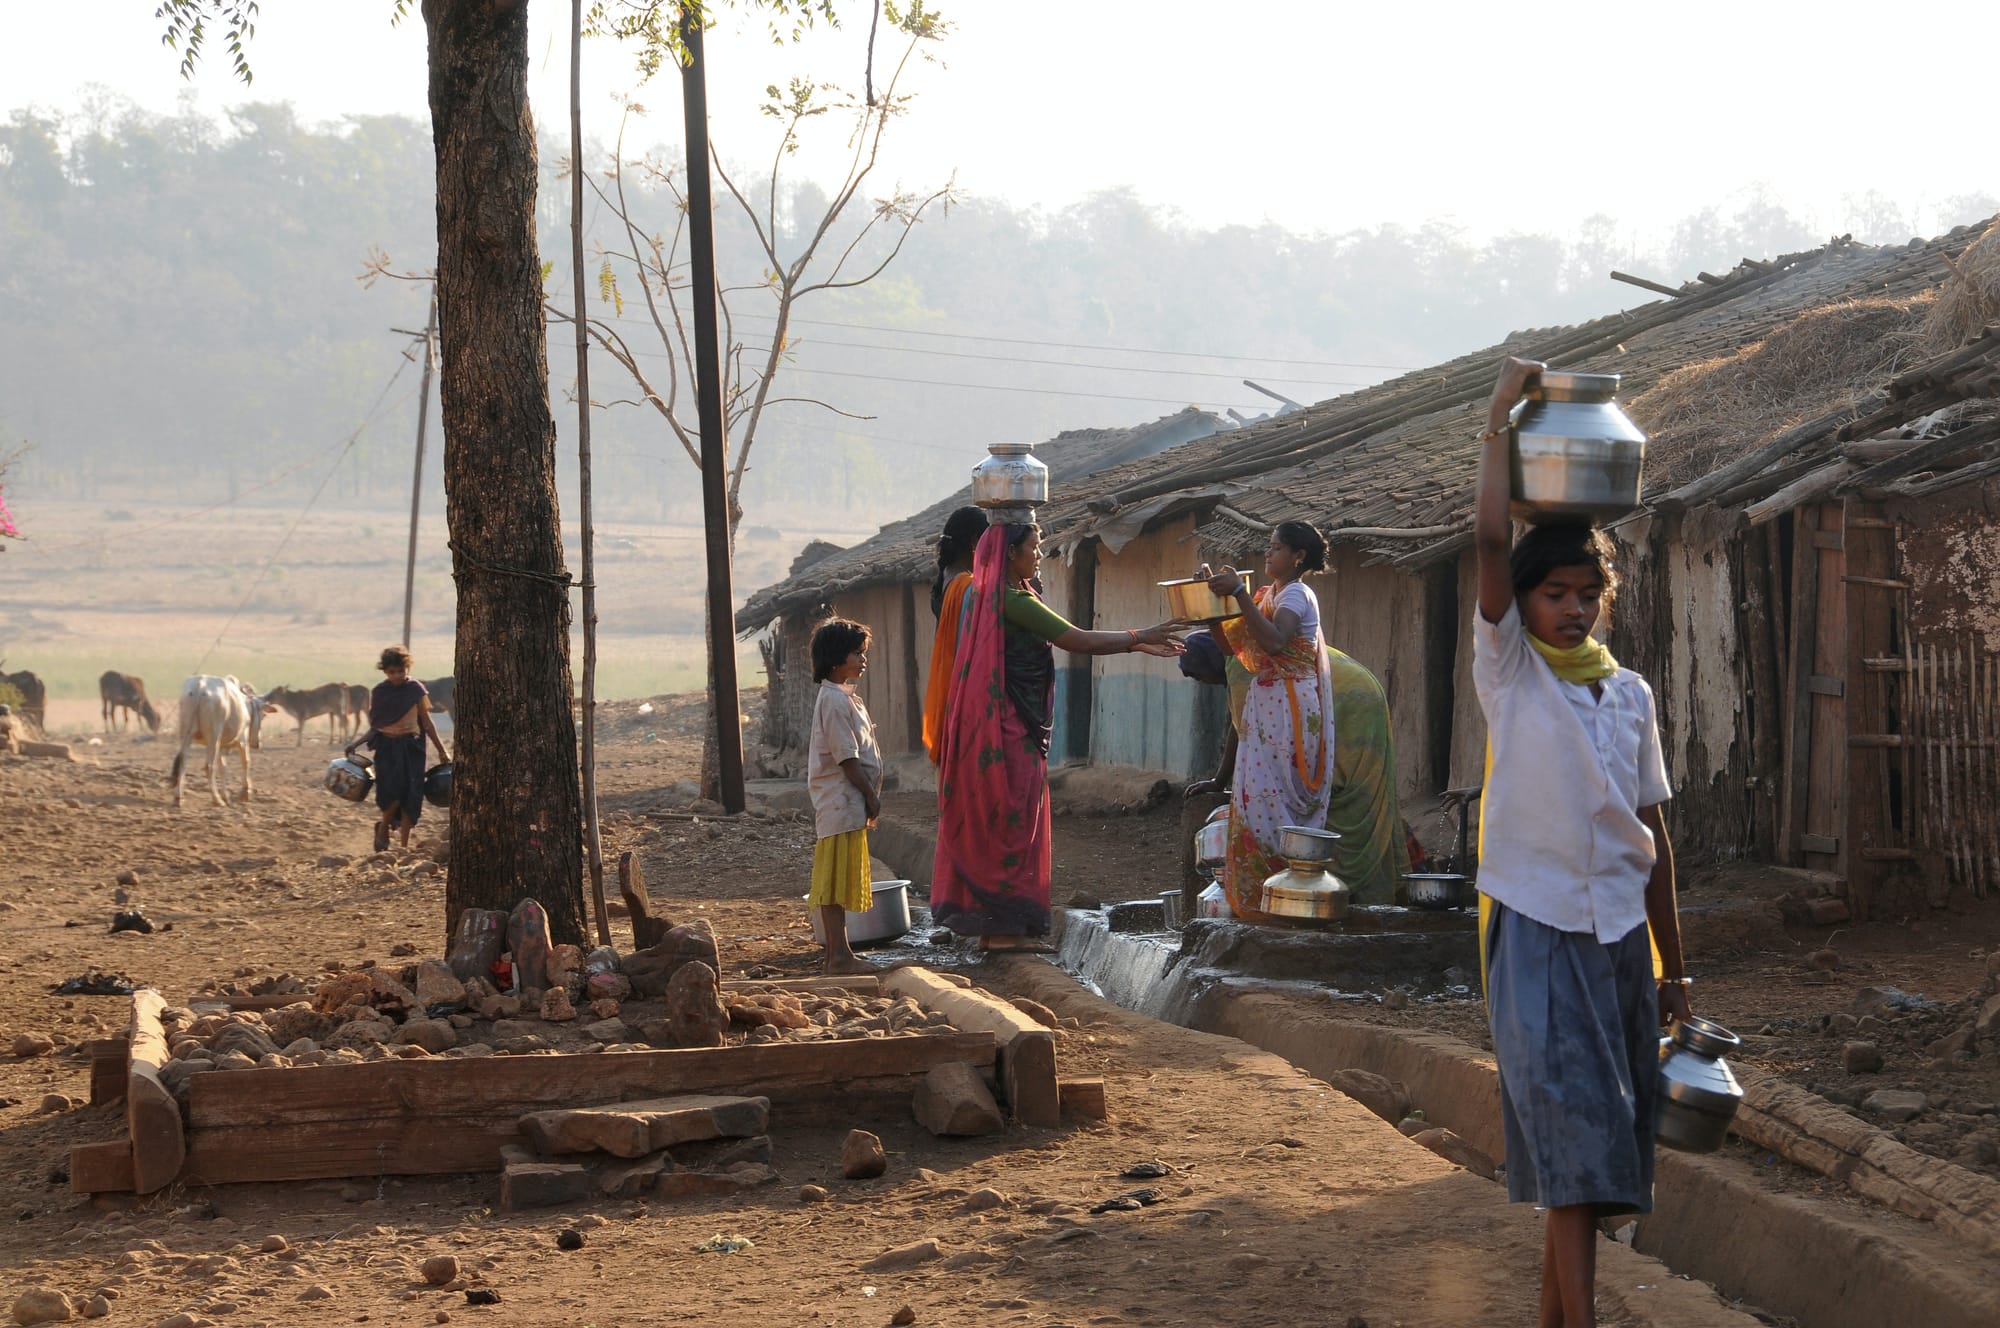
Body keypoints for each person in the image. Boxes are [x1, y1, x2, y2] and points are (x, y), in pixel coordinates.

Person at [1473, 356, 1690, 1328]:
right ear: (1521, 602)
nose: (1568, 607)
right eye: (1550, 592)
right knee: (1570, 1155)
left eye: (1583, 594)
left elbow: (1652, 835)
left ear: (1603, 597)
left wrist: (1675, 970)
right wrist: (1494, 424)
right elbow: (1486, 537)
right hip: (1539, 928)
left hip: (1617, 951)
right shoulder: (1510, 674)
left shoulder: (1628, 693)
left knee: (1600, 1160)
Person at [932, 521, 1184, 952]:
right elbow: (1076, 639)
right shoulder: (1010, 599)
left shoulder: (986, 593)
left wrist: (1136, 644)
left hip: (995, 722)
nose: (1038, 554)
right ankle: (1006, 931)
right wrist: (1140, 636)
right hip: (1009, 726)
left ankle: (996, 928)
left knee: (999, 818)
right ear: (1011, 554)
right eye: (1034, 547)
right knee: (1013, 818)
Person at [1182, 632, 1410, 906]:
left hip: (1349, 705)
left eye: (1197, 675)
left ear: (1211, 662)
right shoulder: (1245, 656)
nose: (1201, 683)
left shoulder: (1242, 666)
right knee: (1332, 798)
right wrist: (1219, 780)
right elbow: (1242, 724)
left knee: (1341, 799)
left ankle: (1350, 893)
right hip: (1355, 693)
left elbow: (1256, 741)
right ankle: (1339, 888)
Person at [1200, 521, 1337, 919]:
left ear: (1298, 556)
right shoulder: (1269, 594)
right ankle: (1261, 896)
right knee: (1254, 798)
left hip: (1291, 707)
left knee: (1277, 798)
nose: (1267, 554)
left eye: (1276, 548)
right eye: (1269, 546)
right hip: (1267, 704)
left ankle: (1286, 891)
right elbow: (1230, 643)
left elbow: (1276, 641)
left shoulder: (1296, 594)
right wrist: (1210, 603)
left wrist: (1240, 595)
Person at [806, 617, 882, 976]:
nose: (862, 659)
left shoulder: (843, 698)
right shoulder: (834, 701)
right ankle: (838, 956)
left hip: (844, 804)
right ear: (837, 659)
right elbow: (847, 758)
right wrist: (870, 796)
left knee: (837, 879)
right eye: (857, 653)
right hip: (841, 801)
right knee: (834, 882)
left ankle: (839, 953)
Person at [347, 646, 449, 853]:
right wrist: (356, 743)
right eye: (392, 672)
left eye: (400, 671)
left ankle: (403, 848)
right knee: (391, 795)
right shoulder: (380, 692)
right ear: (385, 671)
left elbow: (427, 723)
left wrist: (441, 750)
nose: (397, 676)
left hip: (412, 749)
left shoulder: (416, 690)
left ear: (407, 668)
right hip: (387, 750)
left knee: (411, 796)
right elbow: (377, 726)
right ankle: (384, 827)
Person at [922, 505, 989, 765]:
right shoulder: (967, 588)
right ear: (975, 542)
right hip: (966, 692)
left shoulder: (946, 583)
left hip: (951, 687)